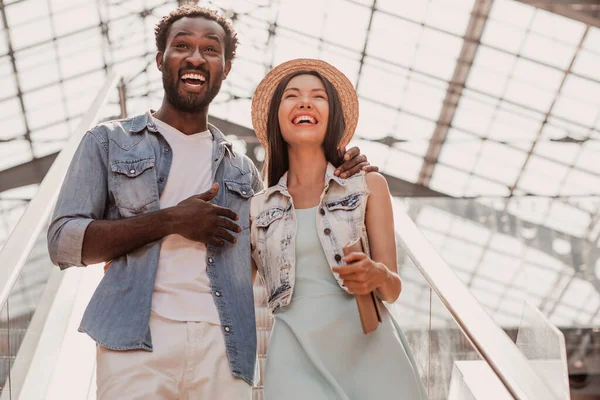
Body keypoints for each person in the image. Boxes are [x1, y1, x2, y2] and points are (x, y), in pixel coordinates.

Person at [47, 5, 376, 400]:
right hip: (134, 343)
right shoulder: (107, 141)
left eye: (211, 49)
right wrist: (169, 220)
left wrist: (337, 172)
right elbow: (62, 241)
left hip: (226, 349)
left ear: (226, 67)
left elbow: (285, 248)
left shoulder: (244, 173)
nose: (196, 57)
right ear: (160, 59)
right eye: (182, 45)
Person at [249, 59, 427, 399]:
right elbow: (233, 293)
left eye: (318, 96)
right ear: (277, 118)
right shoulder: (256, 208)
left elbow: (392, 289)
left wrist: (376, 275)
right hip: (292, 357)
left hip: (371, 350)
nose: (304, 102)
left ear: (332, 118)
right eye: (292, 96)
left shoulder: (369, 185)